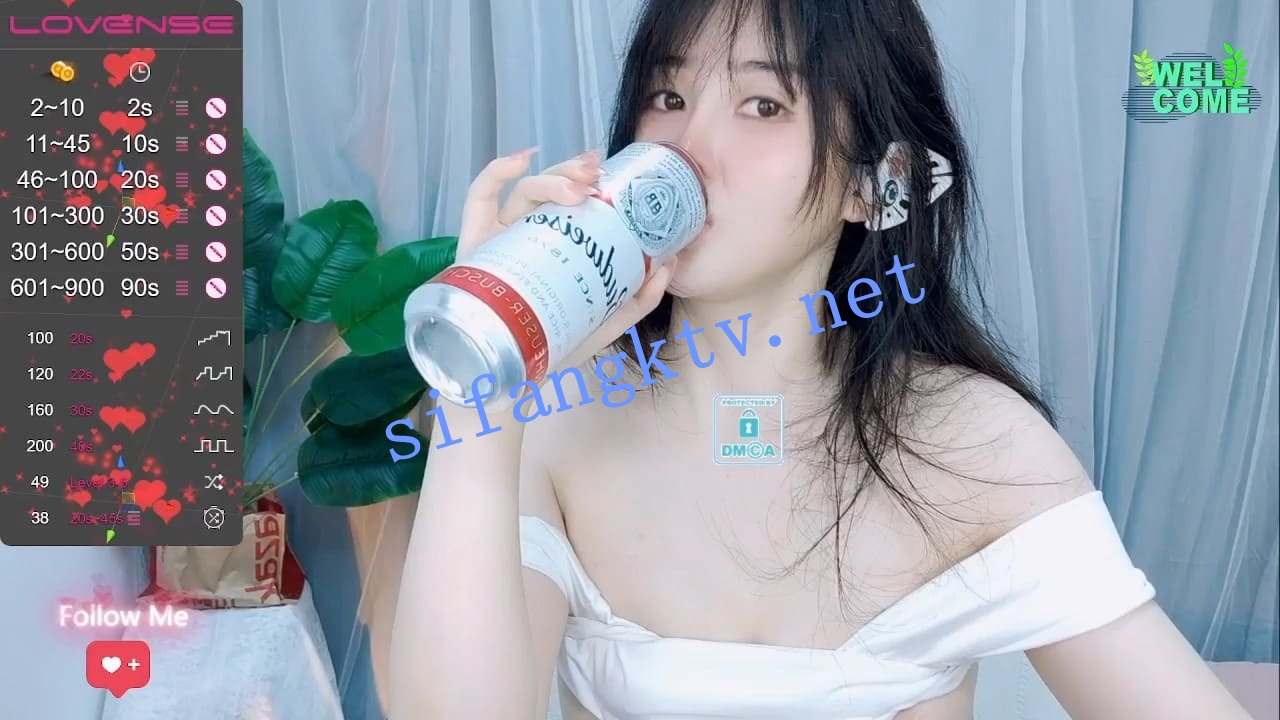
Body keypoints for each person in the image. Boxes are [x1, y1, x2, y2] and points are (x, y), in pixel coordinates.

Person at [389, 1, 1254, 718]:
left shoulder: (974, 445)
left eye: (763, 105)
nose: (686, 148)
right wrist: (485, 393)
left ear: (873, 185)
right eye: (668, 95)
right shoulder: (562, 423)